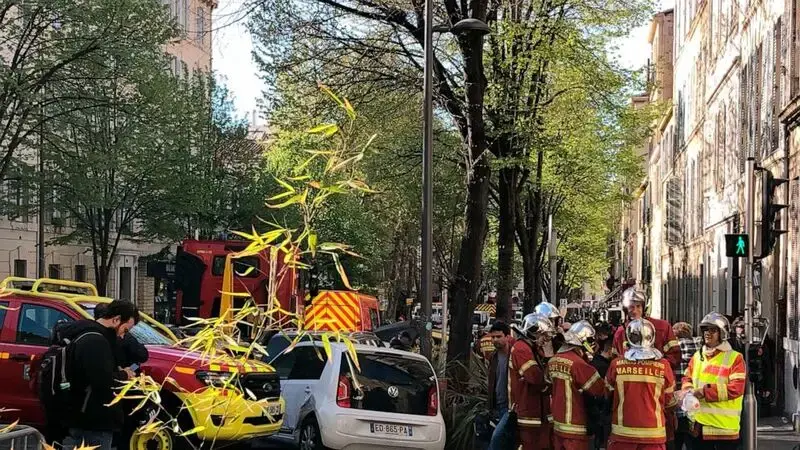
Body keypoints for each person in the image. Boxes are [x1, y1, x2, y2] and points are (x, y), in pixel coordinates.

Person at [61, 300, 139, 450]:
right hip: (94, 416)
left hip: (83, 413)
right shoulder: (96, 341)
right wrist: (124, 375)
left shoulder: (89, 335)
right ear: (116, 320)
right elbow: (103, 381)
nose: (123, 336)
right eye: (125, 330)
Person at [606, 319, 676, 450]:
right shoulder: (663, 366)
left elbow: (607, 394)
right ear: (652, 337)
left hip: (622, 434)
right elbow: (669, 401)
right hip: (653, 435)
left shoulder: (616, 365)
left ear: (628, 338)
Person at [680, 312, 746, 450]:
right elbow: (687, 377)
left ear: (722, 334)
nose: (707, 333)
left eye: (713, 330)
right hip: (698, 428)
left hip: (723, 431)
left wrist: (703, 392)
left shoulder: (735, 358)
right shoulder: (698, 356)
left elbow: (736, 389)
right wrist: (688, 391)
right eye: (705, 329)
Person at [548, 320, 606, 450]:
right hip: (576, 427)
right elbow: (600, 389)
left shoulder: (553, 360)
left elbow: (547, 382)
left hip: (558, 425)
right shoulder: (578, 364)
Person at [504, 313, 557, 450]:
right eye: (542, 335)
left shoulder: (532, 348)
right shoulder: (522, 349)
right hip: (528, 414)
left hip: (538, 413)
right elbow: (535, 377)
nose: (545, 340)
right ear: (533, 333)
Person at [612, 288, 680, 369]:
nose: (635, 311)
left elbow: (674, 356)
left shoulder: (662, 327)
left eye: (638, 306)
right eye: (631, 307)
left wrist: (656, 369)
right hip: (631, 380)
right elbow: (615, 360)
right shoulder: (620, 333)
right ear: (625, 309)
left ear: (644, 308)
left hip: (657, 379)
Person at [673, 322, 702, 450]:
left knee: (676, 440)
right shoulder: (700, 347)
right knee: (693, 441)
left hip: (677, 401)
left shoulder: (673, 349)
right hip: (694, 402)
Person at [486, 321, 515, 450]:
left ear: (507, 337)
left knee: (496, 439)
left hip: (510, 407)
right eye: (493, 337)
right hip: (497, 405)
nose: (495, 340)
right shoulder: (494, 357)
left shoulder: (514, 355)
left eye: (498, 336)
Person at [588, 322, 614, 450]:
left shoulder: (593, 362)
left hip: (594, 411)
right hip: (604, 411)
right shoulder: (607, 366)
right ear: (609, 350)